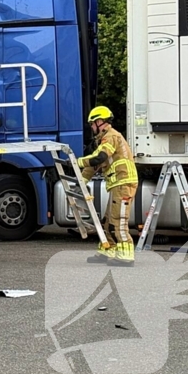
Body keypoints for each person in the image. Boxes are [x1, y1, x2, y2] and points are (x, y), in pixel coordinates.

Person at [77, 106, 139, 266]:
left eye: (92, 123)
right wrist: (82, 181)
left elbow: (99, 158)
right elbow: (94, 166)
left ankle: (126, 256)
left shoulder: (111, 136)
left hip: (124, 183)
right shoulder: (104, 139)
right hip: (117, 184)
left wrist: (78, 161)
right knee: (108, 221)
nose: (91, 127)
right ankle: (107, 251)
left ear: (100, 121)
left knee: (118, 221)